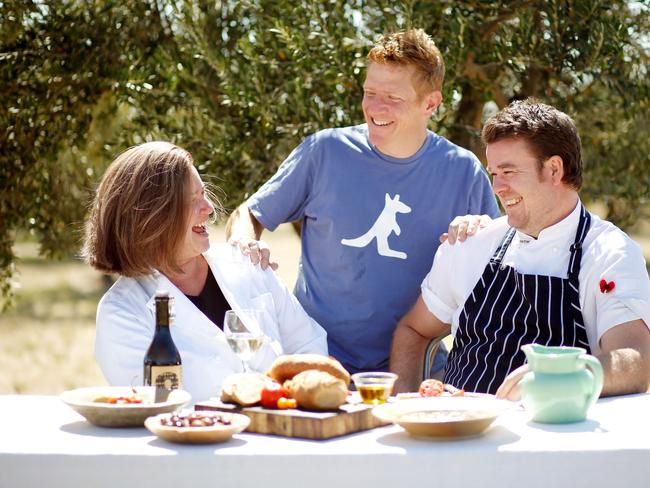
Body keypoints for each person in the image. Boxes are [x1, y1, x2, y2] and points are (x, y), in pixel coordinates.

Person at [226, 28, 500, 375]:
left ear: (430, 103)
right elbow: (249, 213)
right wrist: (243, 240)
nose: (375, 107)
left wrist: (478, 235)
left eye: (392, 98)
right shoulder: (323, 151)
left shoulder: (463, 171)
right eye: (370, 92)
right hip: (316, 362)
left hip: (419, 368)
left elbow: (498, 265)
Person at [390, 99, 650, 398]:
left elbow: (636, 361)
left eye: (509, 172)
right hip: (457, 432)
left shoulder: (608, 253)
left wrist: (562, 375)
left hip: (552, 437)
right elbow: (413, 330)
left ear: (554, 170)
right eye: (494, 173)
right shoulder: (470, 243)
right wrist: (404, 406)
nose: (497, 187)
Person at [83, 141, 327, 402]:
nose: (209, 208)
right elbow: (155, 407)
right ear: (152, 217)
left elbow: (309, 347)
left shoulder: (249, 264)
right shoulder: (121, 313)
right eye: (192, 200)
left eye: (204, 193)